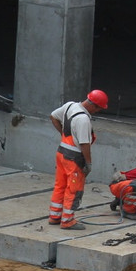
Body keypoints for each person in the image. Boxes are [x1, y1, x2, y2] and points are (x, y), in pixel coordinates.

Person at [48, 89, 109, 230]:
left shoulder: (70, 105)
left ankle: (55, 216)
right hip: (74, 158)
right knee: (73, 189)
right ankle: (67, 220)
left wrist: (63, 134)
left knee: (60, 185)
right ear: (94, 106)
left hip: (61, 152)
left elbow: (53, 116)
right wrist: (88, 163)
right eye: (99, 108)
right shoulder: (83, 120)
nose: (98, 111)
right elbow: (84, 144)